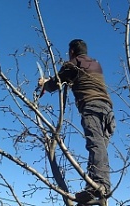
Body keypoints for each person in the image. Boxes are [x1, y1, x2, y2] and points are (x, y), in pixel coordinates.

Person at [38, 39, 116, 203]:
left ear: (72, 51)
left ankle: (100, 185)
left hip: (92, 107)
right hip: (108, 112)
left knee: (95, 145)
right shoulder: (95, 64)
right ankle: (93, 187)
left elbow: (56, 83)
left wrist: (44, 83)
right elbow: (72, 78)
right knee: (98, 149)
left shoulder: (73, 63)